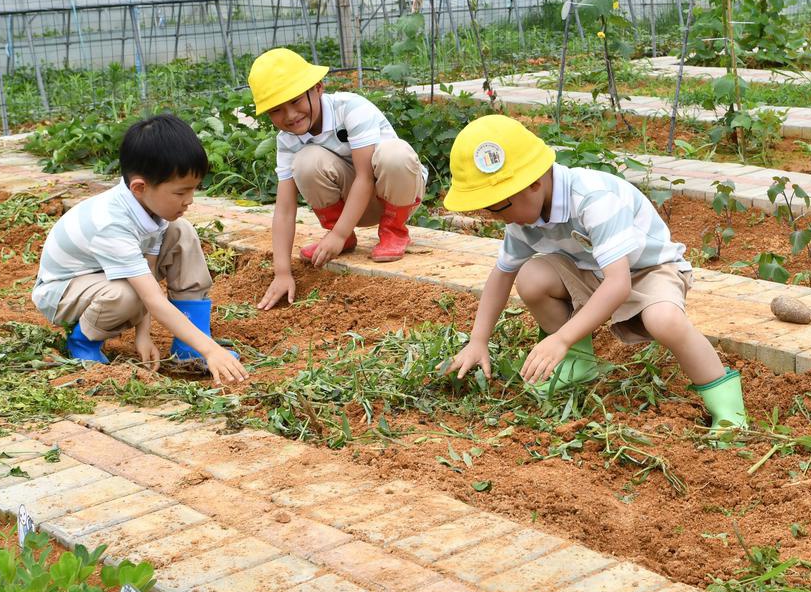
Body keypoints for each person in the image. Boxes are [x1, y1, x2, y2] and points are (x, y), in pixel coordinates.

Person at [437, 114, 747, 428]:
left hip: (647, 271)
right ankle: (578, 363)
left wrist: (561, 338)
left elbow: (618, 285)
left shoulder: (593, 199)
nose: (496, 217)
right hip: (591, 272)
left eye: (496, 207)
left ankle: (726, 407)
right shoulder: (522, 216)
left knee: (664, 321)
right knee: (531, 278)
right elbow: (502, 274)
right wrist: (478, 340)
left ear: (532, 184)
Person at [30, 113, 246, 382]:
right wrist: (213, 350)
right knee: (127, 294)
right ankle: (83, 341)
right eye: (180, 192)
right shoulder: (112, 224)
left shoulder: (151, 210)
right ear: (140, 187)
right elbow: (150, 297)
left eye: (194, 189)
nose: (189, 200)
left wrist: (142, 336)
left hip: (103, 276)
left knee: (182, 232)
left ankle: (189, 347)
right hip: (62, 291)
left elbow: (149, 273)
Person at [248, 48, 427, 309]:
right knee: (305, 161)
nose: (290, 115)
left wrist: (337, 235)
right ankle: (344, 237)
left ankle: (394, 232)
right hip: (353, 206)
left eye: (296, 101)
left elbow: (365, 177)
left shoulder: (351, 109)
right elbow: (285, 209)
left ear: (318, 88)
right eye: (276, 110)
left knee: (394, 153)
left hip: (397, 194)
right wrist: (282, 272)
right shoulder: (287, 140)